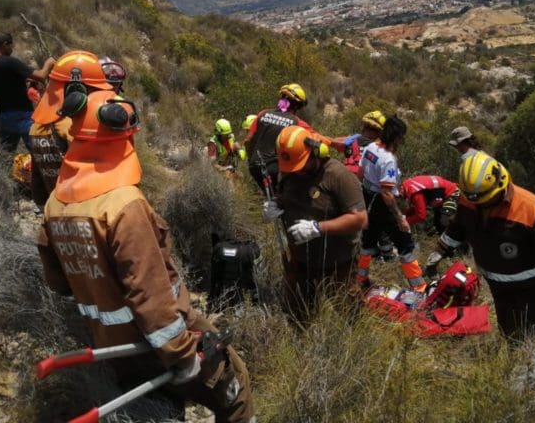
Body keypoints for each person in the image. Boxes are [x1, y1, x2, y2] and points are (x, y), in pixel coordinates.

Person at [37, 89, 255, 422]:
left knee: (161, 408)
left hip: (112, 345)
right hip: (161, 340)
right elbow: (149, 294)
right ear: (121, 139)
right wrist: (183, 354)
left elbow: (59, 282)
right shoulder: (124, 206)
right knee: (234, 385)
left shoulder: (55, 204)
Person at [425, 151, 535, 341]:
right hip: (496, 284)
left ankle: (530, 357)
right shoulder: (471, 199)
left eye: (485, 201)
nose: (481, 206)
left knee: (529, 337)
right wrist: (439, 252)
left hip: (530, 287)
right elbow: (458, 228)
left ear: (500, 184)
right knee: (507, 331)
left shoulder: (532, 210)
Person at [264, 125, 367, 319]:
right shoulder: (289, 170)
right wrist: (276, 204)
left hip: (337, 263)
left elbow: (360, 219)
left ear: (316, 152)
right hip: (299, 260)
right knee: (298, 313)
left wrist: (318, 228)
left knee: (349, 314)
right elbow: (285, 195)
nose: (297, 173)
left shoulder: (338, 176)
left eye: (301, 166)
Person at [28, 50, 114, 209]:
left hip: (54, 207)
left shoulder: (36, 127)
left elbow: (37, 179)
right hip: (83, 207)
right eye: (93, 90)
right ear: (76, 90)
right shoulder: (74, 128)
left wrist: (45, 209)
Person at [355, 116, 427, 294]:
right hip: (383, 205)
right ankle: (419, 287)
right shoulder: (388, 159)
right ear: (396, 137)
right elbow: (386, 193)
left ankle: (360, 280)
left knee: (367, 243)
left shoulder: (371, 147)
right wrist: (400, 218)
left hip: (367, 199)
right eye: (402, 137)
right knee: (405, 244)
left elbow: (360, 174)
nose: (403, 140)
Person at [0, 31, 56, 152]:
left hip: (3, 117)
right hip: (23, 115)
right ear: (5, 45)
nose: (12, 49)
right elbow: (41, 75)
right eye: (11, 45)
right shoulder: (10, 62)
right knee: (43, 153)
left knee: (6, 154)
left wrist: (27, 79)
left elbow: (5, 79)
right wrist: (49, 63)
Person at [339, 110, 395, 261]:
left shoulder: (350, 141)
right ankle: (386, 255)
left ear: (365, 125)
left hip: (344, 183)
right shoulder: (378, 148)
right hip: (366, 187)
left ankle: (354, 253)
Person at [245, 83, 312, 192]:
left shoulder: (263, 114)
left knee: (268, 194)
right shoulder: (297, 122)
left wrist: (250, 158)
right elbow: (316, 139)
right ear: (297, 106)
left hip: (255, 166)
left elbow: (247, 140)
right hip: (276, 168)